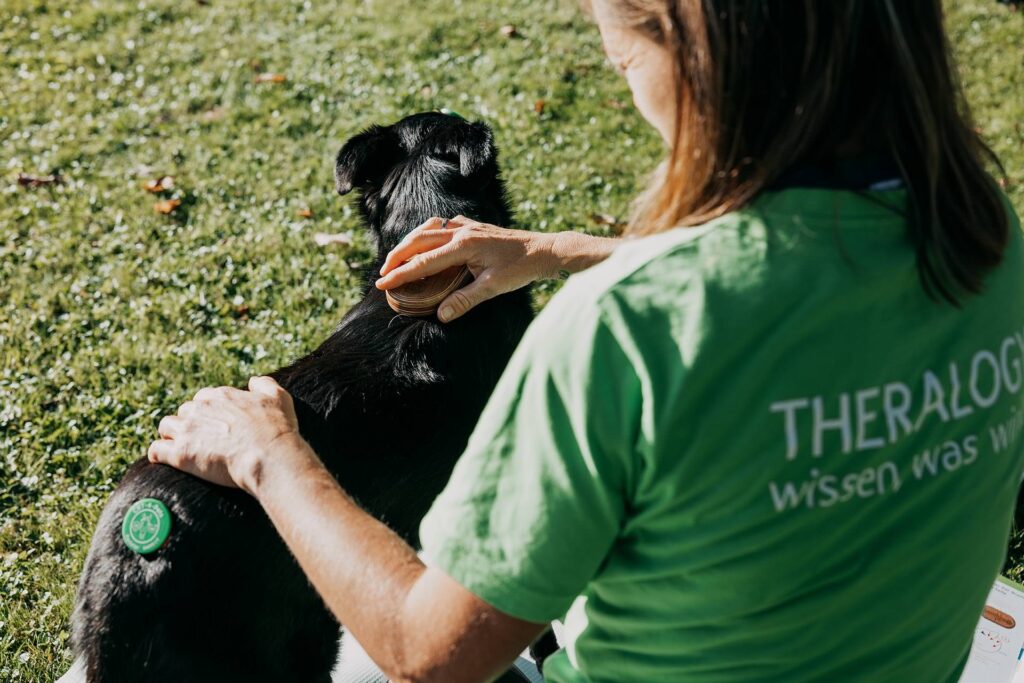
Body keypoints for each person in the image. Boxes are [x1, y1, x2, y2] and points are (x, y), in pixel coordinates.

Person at [143, 1, 1023, 682]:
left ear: (694, 52)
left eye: (623, 53)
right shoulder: (987, 238)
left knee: (363, 639)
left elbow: (432, 652)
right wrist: (552, 251)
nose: (621, 74)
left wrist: (270, 453)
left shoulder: (625, 333)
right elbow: (800, 264)